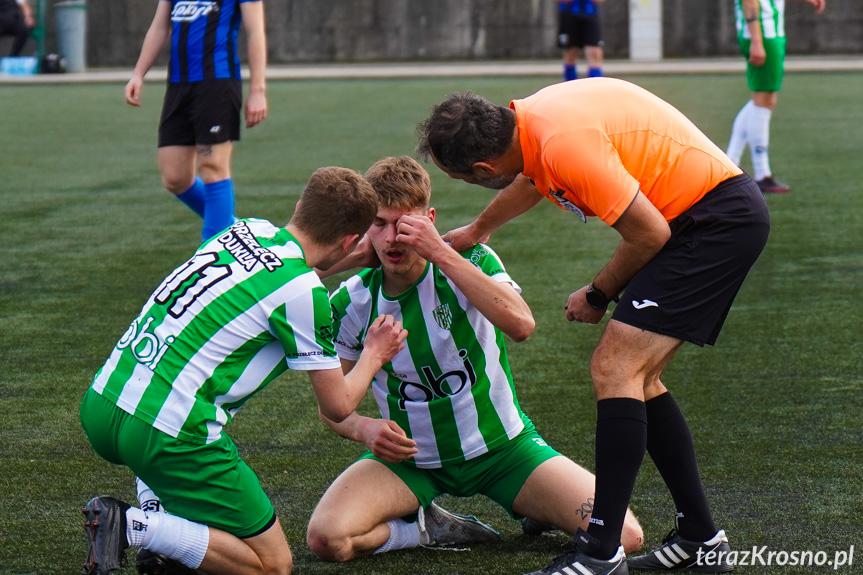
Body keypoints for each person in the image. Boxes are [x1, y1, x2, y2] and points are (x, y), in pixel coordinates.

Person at [416, 81, 770, 574]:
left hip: (713, 223)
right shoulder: (533, 121)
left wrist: (597, 294)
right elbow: (533, 178)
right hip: (699, 214)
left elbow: (649, 234)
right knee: (639, 379)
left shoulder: (565, 145)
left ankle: (600, 554)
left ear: (483, 169)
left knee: (614, 369)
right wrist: (478, 230)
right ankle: (700, 540)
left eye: (464, 179)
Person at [305, 156, 643, 564]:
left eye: (406, 223)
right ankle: (423, 529)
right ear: (364, 229)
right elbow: (332, 406)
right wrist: (363, 428)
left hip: (503, 450)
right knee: (327, 540)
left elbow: (521, 324)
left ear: (429, 219)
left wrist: (442, 253)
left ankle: (538, 508)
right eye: (380, 223)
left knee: (625, 535)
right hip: (411, 461)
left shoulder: (472, 261)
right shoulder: (352, 300)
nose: (393, 237)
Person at [79, 166, 408, 575]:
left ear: (299, 207)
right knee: (271, 564)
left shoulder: (247, 230)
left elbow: (275, 281)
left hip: (106, 400)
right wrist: (376, 353)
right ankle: (135, 526)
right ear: (349, 240)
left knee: (203, 526)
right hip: (167, 432)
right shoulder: (305, 294)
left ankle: (159, 518)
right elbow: (338, 405)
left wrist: (347, 258)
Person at [124, 0, 268, 242]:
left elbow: (255, 33)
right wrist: (138, 74)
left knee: (212, 167)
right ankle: (234, 231)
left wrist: (258, 90)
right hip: (179, 86)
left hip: (217, 84)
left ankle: (213, 255)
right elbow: (160, 27)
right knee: (175, 177)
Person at [727, 0, 826, 194]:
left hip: (770, 33)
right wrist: (756, 41)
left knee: (764, 100)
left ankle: (730, 163)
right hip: (763, 34)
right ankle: (761, 173)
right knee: (763, 101)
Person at [557, 0, 606, 81]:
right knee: (571, 52)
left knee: (594, 52)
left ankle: (595, 87)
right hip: (569, 13)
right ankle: (570, 87)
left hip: (591, 13)